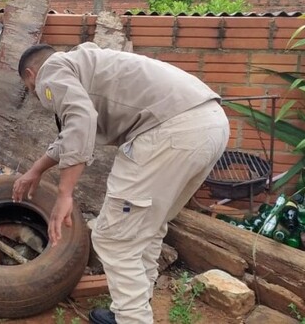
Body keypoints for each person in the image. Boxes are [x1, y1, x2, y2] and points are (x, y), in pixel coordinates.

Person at [12, 42, 229, 324]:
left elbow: (80, 120)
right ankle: (133, 307)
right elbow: (71, 134)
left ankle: (133, 318)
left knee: (112, 238)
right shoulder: (87, 63)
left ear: (31, 74)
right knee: (149, 227)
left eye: (31, 90)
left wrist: (65, 194)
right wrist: (36, 170)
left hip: (169, 132)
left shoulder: (51, 71)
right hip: (210, 124)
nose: (37, 95)